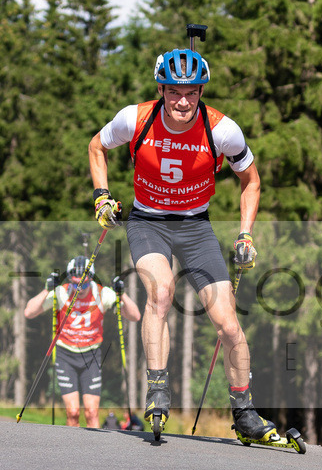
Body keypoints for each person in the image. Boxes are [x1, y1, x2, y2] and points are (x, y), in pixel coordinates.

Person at [88, 46, 278, 443]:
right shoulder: (135, 119)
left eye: (192, 92)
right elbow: (96, 147)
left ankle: (244, 412)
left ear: (201, 91)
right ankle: (157, 390)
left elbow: (252, 181)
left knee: (227, 323)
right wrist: (102, 196)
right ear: (161, 88)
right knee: (161, 292)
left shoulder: (222, 130)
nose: (183, 101)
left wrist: (245, 233)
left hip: (195, 228)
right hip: (147, 223)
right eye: (175, 91)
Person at [24, 256, 141, 428]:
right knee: (73, 412)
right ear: (70, 280)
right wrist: (46, 290)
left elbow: (135, 316)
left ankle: (93, 453)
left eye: (84, 285)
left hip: (91, 356)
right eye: (75, 284)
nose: (79, 289)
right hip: (66, 355)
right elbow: (29, 312)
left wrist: (122, 294)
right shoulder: (61, 292)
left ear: (91, 279)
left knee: (92, 413)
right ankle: (71, 452)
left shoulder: (102, 294)